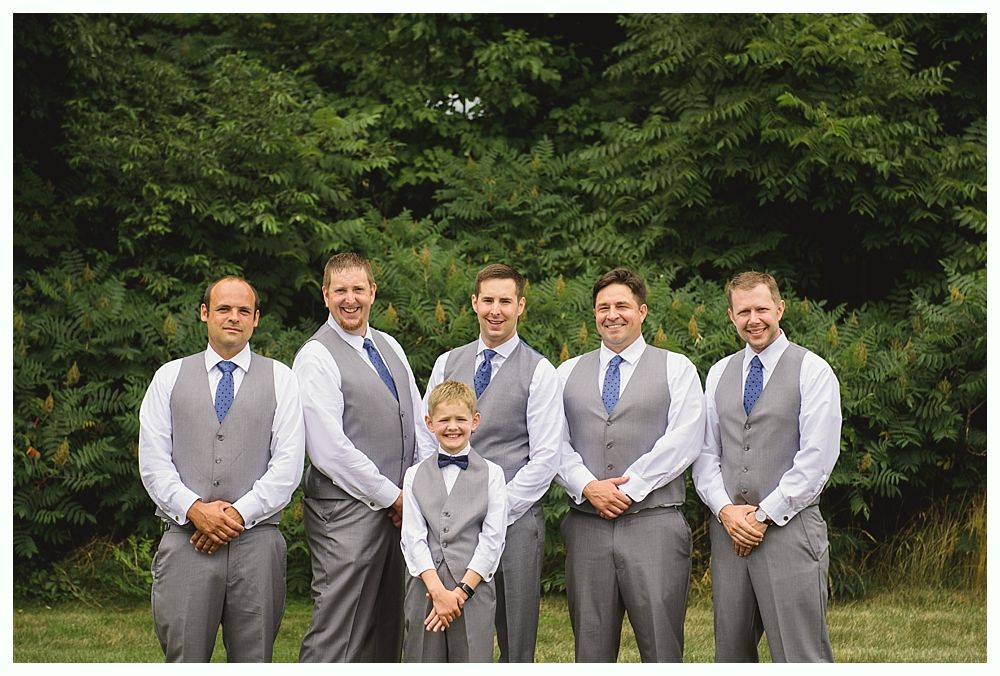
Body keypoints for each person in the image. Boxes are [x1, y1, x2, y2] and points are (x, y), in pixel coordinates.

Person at [138, 275, 305, 662]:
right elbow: (153, 461)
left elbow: (288, 465)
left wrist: (235, 516)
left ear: (256, 319)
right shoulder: (169, 377)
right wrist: (196, 510)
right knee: (184, 657)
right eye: (224, 309)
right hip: (185, 541)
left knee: (254, 658)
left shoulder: (283, 378)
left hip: (258, 543)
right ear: (204, 313)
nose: (234, 317)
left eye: (243, 310)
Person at [556, 267, 705, 662]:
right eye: (603, 307)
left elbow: (685, 439)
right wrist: (588, 486)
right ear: (594, 315)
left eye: (622, 305)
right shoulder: (565, 373)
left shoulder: (678, 369)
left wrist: (628, 488)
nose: (612, 314)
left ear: (641, 311)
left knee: (661, 646)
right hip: (586, 526)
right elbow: (552, 443)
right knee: (590, 648)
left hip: (653, 523)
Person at [692, 271, 841, 662]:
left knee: (799, 653)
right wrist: (725, 511)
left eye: (761, 309)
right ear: (731, 316)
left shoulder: (813, 370)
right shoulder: (719, 372)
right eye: (743, 311)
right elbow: (706, 452)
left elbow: (817, 458)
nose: (753, 319)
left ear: (780, 308)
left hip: (789, 530)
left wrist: (762, 516)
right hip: (729, 534)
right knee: (732, 654)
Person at [295, 252, 435, 663]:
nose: (350, 299)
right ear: (325, 295)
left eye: (358, 289)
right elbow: (329, 449)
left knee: (389, 626)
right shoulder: (316, 356)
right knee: (339, 627)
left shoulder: (389, 345)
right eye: (340, 290)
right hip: (344, 515)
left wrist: (414, 492)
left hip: (399, 510)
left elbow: (419, 426)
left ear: (373, 292)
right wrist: (394, 497)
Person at [422, 263, 562, 662]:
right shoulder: (447, 363)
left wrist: (496, 510)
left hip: (515, 522)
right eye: (488, 300)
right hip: (451, 523)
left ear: (521, 306)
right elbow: (426, 437)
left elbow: (546, 457)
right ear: (474, 303)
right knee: (456, 630)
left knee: (516, 636)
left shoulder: (540, 372)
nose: (495, 310)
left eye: (505, 301)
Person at [401, 380, 507, 663]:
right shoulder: (413, 476)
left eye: (460, 419)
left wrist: (459, 594)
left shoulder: (493, 474)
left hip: (473, 589)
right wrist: (437, 591)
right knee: (421, 658)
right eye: (444, 419)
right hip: (425, 588)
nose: (452, 427)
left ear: (475, 421)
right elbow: (412, 538)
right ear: (429, 422)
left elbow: (493, 540)